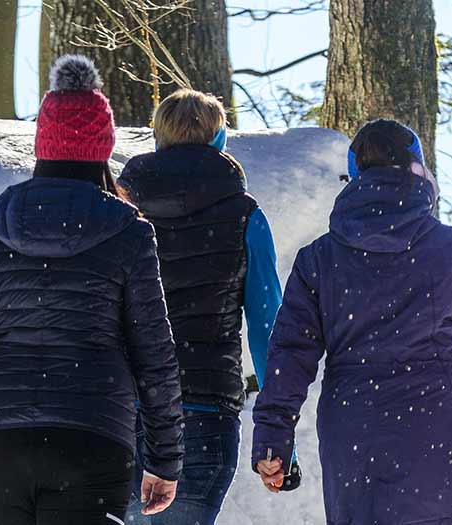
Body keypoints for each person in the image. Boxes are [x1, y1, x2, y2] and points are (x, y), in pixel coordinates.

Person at [0, 55, 184, 525]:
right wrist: (165, 457)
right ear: (102, 147)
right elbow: (153, 352)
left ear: (42, 145)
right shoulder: (129, 232)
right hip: (91, 438)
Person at [251, 119, 452, 524]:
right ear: (419, 171)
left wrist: (273, 436)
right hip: (432, 433)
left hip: (353, 435)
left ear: (354, 179)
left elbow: (289, 355)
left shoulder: (318, 260)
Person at [116, 88, 285, 523]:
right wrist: (280, 431)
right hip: (205, 413)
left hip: (123, 408)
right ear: (219, 141)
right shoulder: (246, 216)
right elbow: (269, 328)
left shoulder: (121, 210)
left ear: (158, 141)